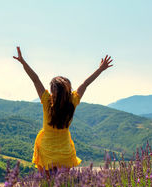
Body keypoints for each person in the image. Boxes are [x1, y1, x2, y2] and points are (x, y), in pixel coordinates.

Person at [13, 46, 113, 175]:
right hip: (65, 153)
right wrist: (100, 69)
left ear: (53, 91)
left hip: (46, 152)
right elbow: (85, 83)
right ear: (68, 90)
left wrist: (23, 62)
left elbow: (35, 79)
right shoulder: (72, 102)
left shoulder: (47, 102)